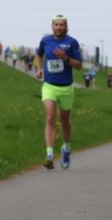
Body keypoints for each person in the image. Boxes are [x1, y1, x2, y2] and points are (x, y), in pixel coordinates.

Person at [34, 15, 82, 169]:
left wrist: (65, 58)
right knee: (50, 117)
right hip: (49, 86)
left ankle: (66, 148)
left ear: (66, 26)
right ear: (52, 26)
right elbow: (38, 55)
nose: (59, 27)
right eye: (56, 24)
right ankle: (49, 154)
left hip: (66, 88)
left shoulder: (72, 42)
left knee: (64, 121)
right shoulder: (45, 41)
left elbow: (79, 65)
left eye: (62, 25)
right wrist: (39, 69)